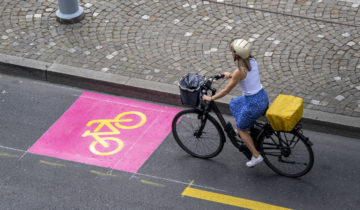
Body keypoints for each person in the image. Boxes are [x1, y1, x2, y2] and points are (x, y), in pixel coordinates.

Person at [202, 38, 269, 168]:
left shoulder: (240, 71)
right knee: (234, 103)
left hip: (253, 104)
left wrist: (211, 98)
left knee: (240, 129)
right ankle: (246, 128)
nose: (230, 52)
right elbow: (241, 75)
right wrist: (230, 75)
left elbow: (226, 90)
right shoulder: (252, 61)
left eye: (232, 51)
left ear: (236, 54)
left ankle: (256, 155)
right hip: (261, 97)